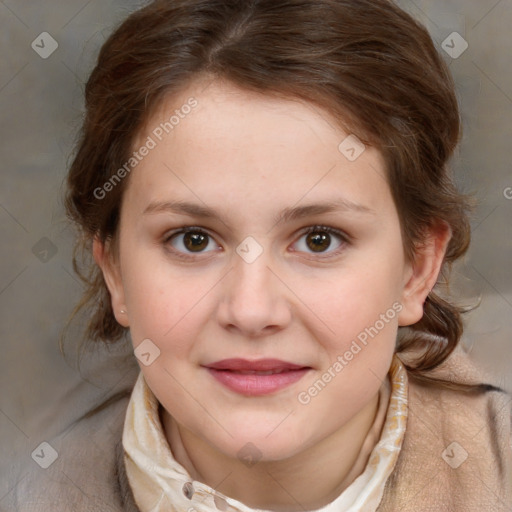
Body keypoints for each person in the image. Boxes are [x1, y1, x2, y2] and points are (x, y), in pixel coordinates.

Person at [7, 0, 511, 510]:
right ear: (115, 272)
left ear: (417, 269)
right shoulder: (29, 490)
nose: (251, 311)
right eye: (193, 239)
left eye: (319, 239)